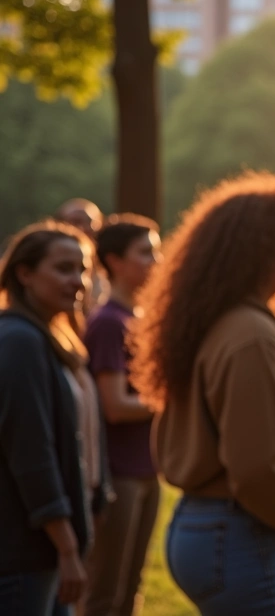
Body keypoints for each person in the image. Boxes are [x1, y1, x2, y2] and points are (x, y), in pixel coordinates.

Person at [128, 172, 275, 616]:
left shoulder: (224, 321)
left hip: (209, 526)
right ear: (257, 249)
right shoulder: (249, 332)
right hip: (237, 532)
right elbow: (256, 468)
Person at [0, 222, 95, 615]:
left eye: (82, 269)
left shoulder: (41, 336)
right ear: (24, 274)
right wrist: (67, 546)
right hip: (23, 551)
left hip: (38, 550)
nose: (77, 281)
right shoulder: (19, 340)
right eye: (63, 268)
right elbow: (32, 453)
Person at [82, 215, 162, 616]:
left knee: (131, 587)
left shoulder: (141, 319)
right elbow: (113, 405)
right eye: (145, 252)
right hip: (120, 475)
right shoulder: (109, 324)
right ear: (114, 261)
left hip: (147, 469)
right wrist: (167, 399)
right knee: (105, 593)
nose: (156, 261)